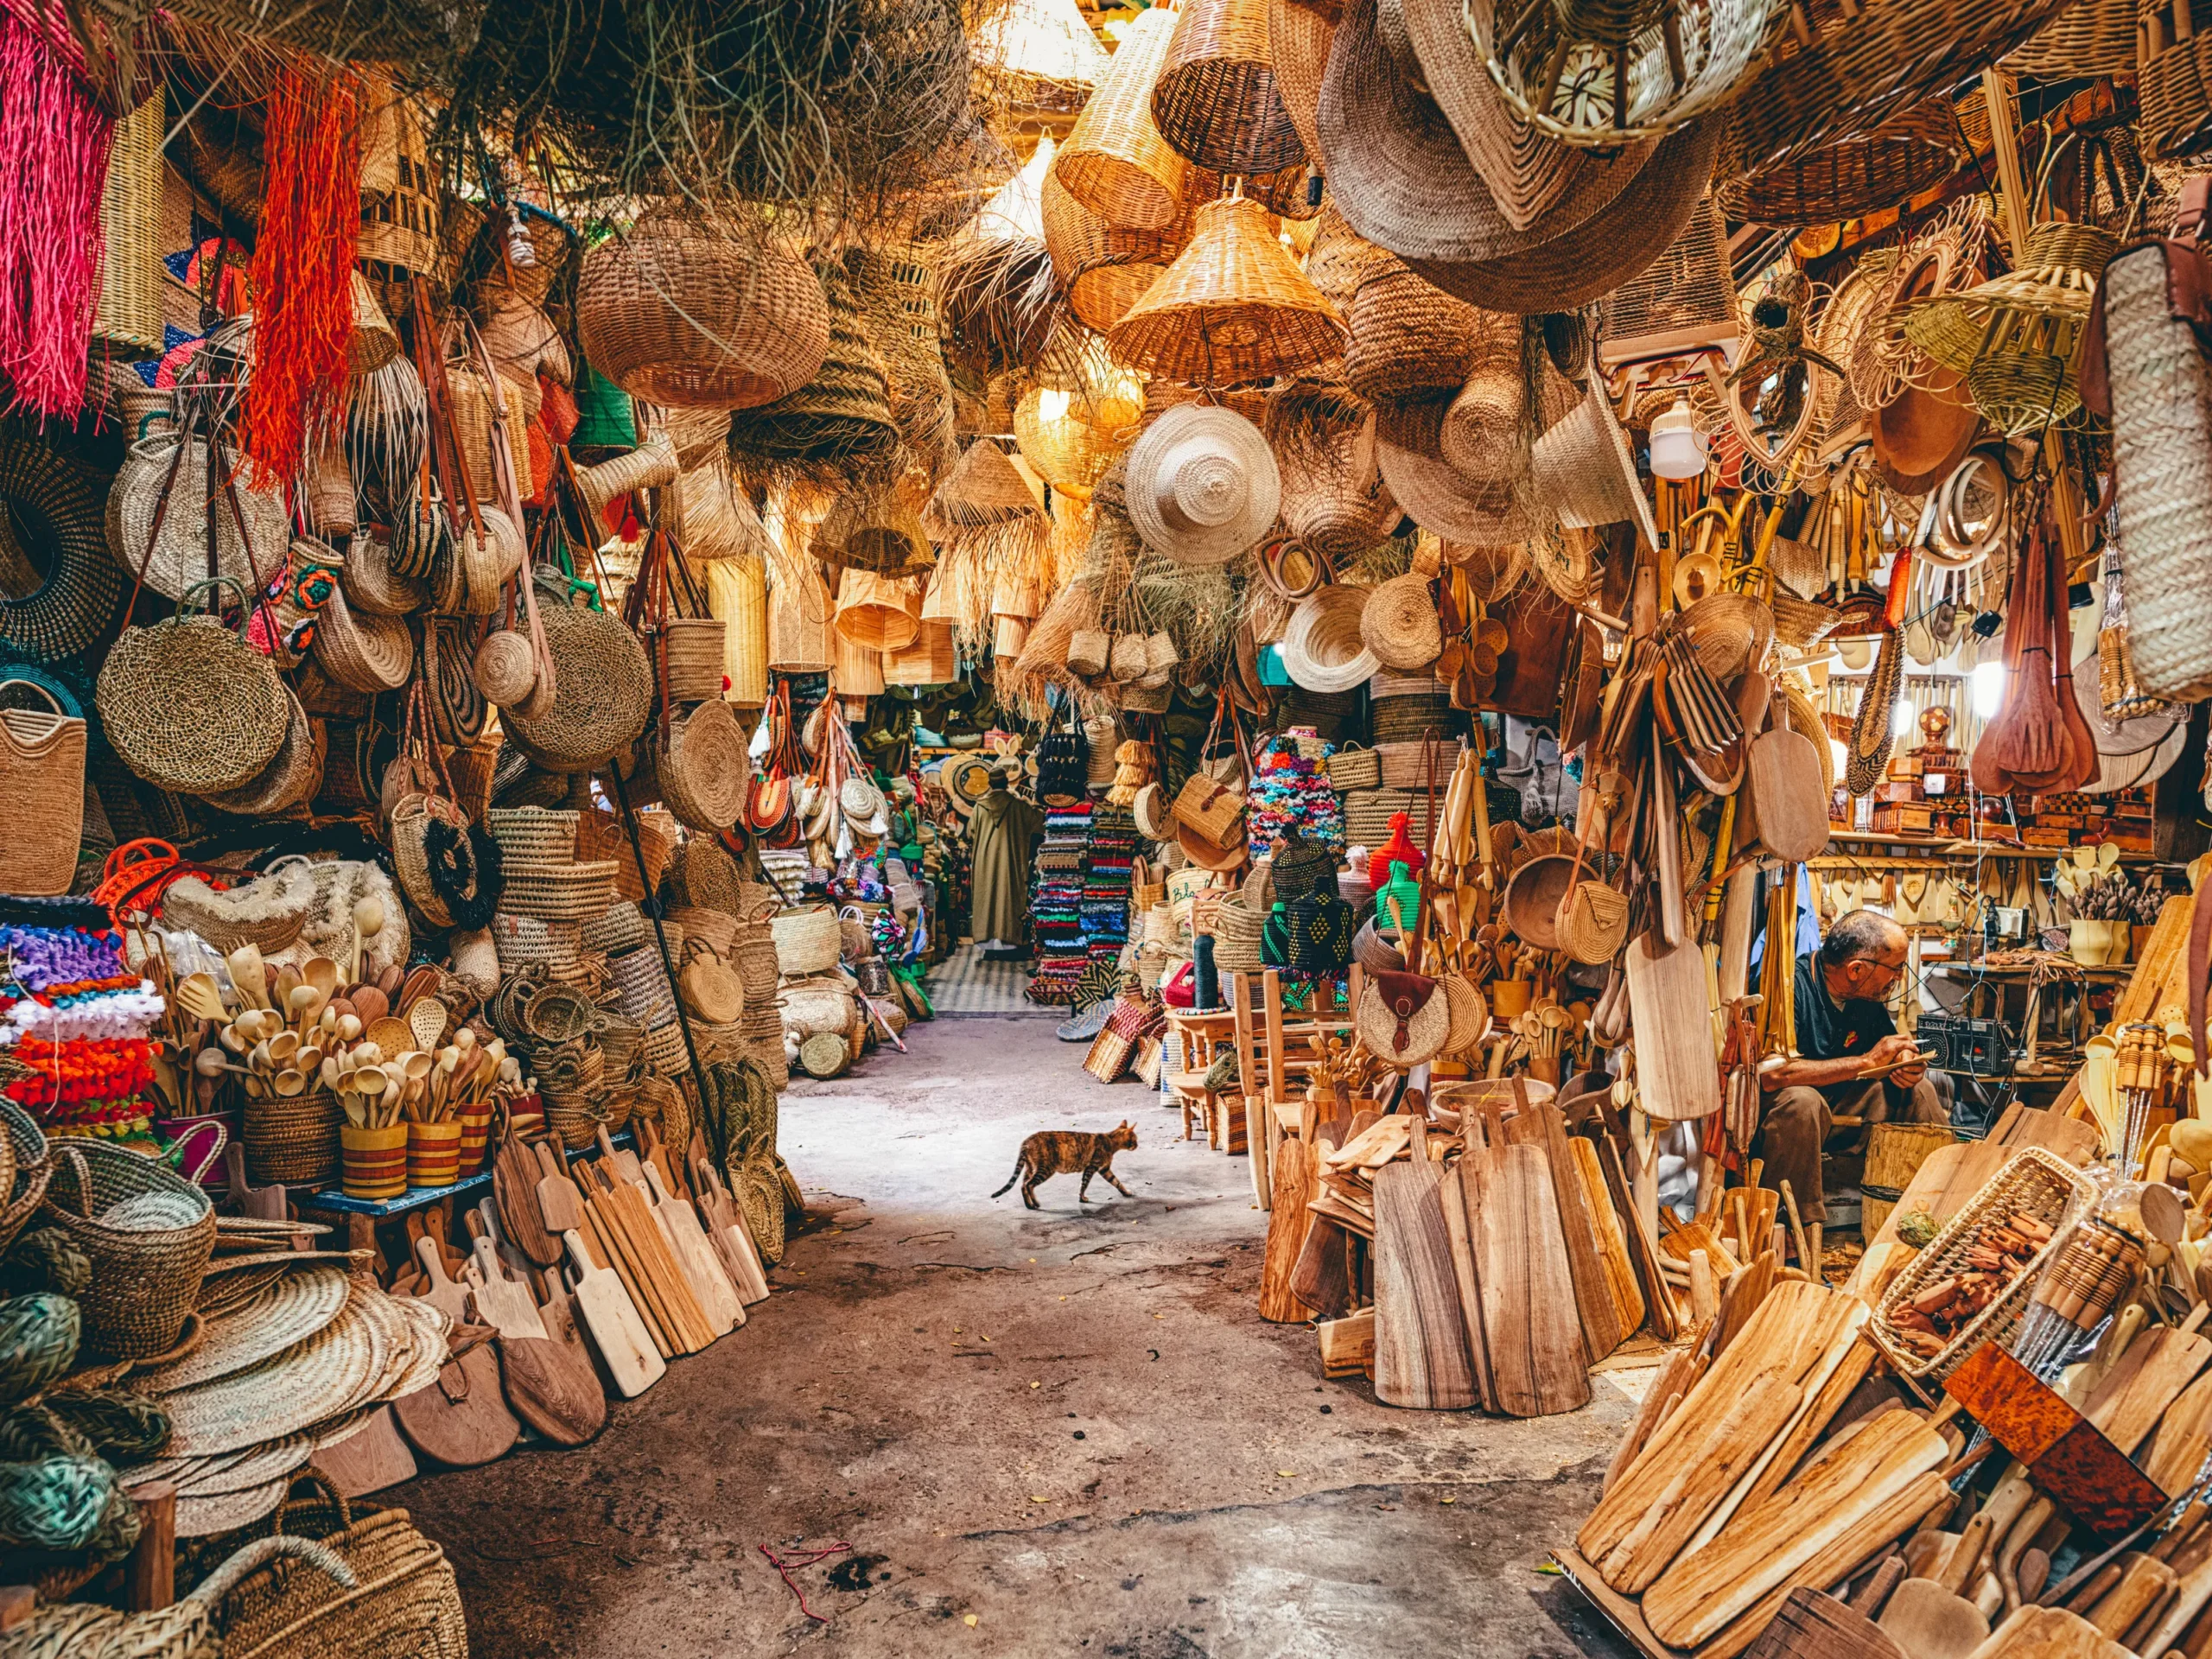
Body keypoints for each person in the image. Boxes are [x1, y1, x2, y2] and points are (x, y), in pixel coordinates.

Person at [1758, 908, 1952, 1224]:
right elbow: (1772, 1075)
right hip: (1786, 1113)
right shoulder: (1787, 987)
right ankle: (1797, 1228)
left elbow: (1887, 1048)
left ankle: (1948, 1198)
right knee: (1803, 1102)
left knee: (1919, 1090)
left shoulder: (1865, 994)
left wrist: (1905, 1062)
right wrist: (1866, 1062)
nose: (1899, 977)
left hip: (1843, 1105)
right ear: (1856, 969)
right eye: (1896, 968)